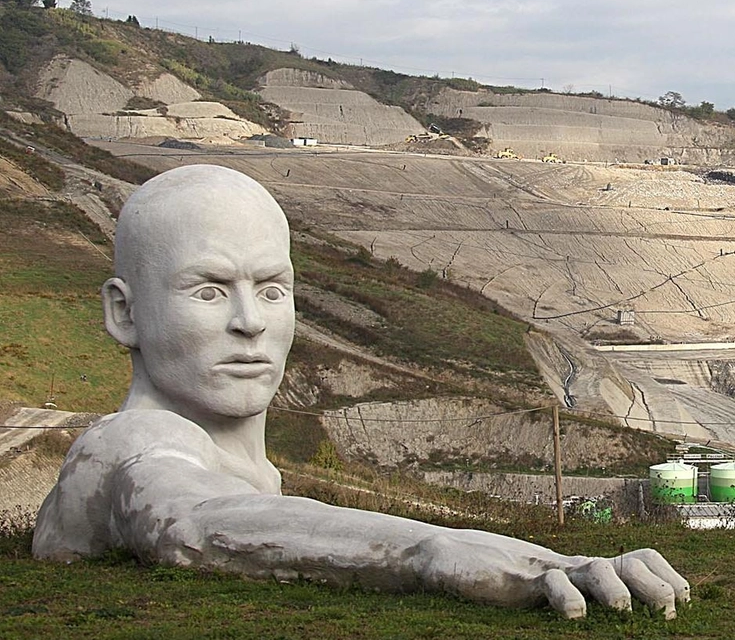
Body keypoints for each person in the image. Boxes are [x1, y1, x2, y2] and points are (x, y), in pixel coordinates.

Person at [33, 164, 689, 619]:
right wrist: (432, 548)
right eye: (208, 290)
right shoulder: (140, 442)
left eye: (271, 288)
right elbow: (185, 519)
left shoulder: (227, 460)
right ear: (124, 313)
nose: (250, 320)